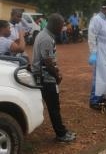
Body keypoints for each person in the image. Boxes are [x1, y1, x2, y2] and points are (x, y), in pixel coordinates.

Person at [32, 13, 76, 142]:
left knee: (53, 106)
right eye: (61, 25)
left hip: (45, 75)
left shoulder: (45, 35)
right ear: (55, 25)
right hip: (46, 77)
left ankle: (61, 131)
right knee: (54, 107)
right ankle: (61, 134)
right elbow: (47, 62)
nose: (62, 28)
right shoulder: (46, 38)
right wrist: (57, 76)